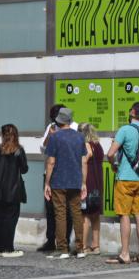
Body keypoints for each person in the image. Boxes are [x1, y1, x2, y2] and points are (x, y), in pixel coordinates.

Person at [105, 101, 139, 265]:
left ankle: (125, 253)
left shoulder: (125, 130)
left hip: (125, 178)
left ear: (132, 112)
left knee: (124, 216)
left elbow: (110, 153)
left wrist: (113, 165)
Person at [44, 106, 89, 258]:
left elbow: (51, 162)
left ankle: (63, 249)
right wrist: (83, 182)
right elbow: (84, 161)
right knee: (76, 213)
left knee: (60, 214)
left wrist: (47, 183)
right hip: (75, 180)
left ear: (59, 121)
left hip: (58, 181)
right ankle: (80, 248)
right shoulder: (79, 137)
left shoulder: (55, 137)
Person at [0, 124, 28, 258]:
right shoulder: (19, 150)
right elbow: (24, 169)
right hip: (13, 191)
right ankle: (8, 248)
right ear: (15, 135)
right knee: (11, 219)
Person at [38, 103, 74, 253]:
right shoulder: (51, 127)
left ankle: (64, 241)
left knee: (68, 210)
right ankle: (50, 240)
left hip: (68, 174)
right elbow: (43, 148)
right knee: (50, 209)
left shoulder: (74, 127)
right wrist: (50, 136)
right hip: (51, 174)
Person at [79, 122, 104, 255]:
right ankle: (96, 245)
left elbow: (84, 162)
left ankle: (83, 246)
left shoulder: (86, 145)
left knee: (85, 215)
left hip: (88, 182)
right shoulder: (98, 146)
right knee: (95, 215)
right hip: (98, 182)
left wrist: (82, 182)